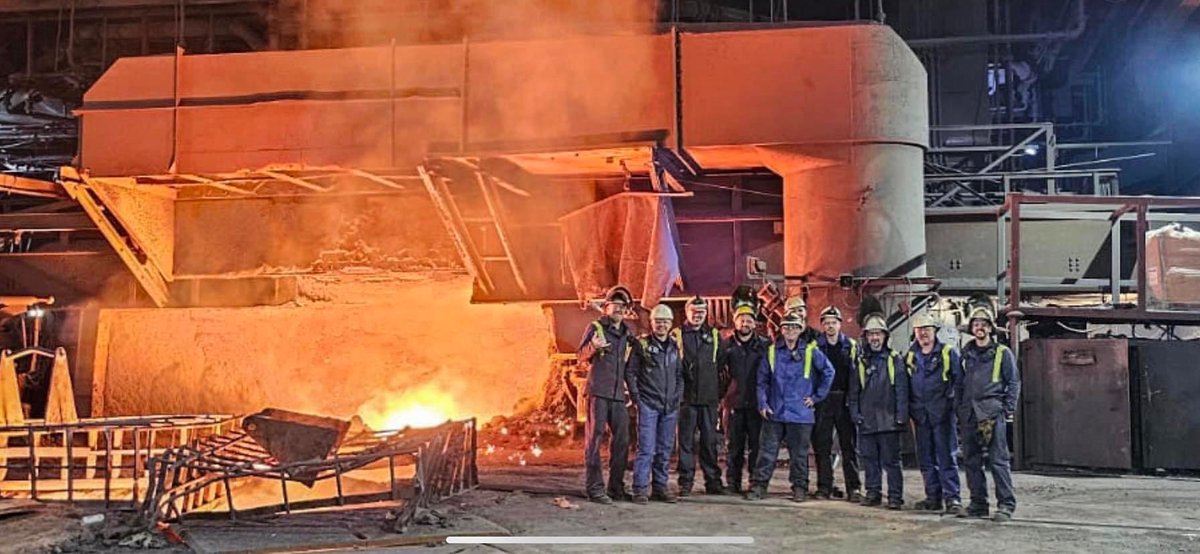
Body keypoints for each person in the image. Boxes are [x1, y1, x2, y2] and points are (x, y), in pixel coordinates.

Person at [746, 312, 835, 502]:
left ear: (801, 329)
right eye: (786, 327)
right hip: (775, 412)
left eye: (794, 327)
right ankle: (759, 486)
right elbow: (762, 381)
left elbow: (829, 371)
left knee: (799, 455)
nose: (790, 331)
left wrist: (816, 397)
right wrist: (762, 402)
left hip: (800, 414)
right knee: (767, 453)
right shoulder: (772, 351)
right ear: (781, 329)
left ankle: (800, 487)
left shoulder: (810, 351)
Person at [957, 301, 1021, 522]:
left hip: (991, 414)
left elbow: (1013, 383)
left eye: (983, 323)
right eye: (975, 323)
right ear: (971, 328)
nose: (979, 327)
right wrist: (960, 410)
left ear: (991, 328)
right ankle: (978, 503)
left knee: (998, 461)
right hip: (969, 414)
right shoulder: (966, 354)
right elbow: (959, 384)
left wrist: (1007, 409)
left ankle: (1006, 505)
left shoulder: (1002, 353)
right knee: (971, 461)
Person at [576, 285, 639, 504]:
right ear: (606, 308)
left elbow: (630, 367)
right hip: (598, 393)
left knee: (621, 441)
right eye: (615, 305)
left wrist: (634, 395)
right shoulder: (595, 328)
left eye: (623, 306)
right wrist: (592, 347)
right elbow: (580, 356)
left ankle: (616, 488)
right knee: (594, 440)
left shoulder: (627, 334)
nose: (619, 309)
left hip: (618, 395)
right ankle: (595, 489)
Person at [906, 312, 965, 517]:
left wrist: (954, 410)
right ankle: (933, 497)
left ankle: (953, 498)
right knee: (926, 458)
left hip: (943, 415)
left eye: (927, 330)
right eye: (920, 330)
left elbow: (959, 384)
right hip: (921, 416)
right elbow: (905, 386)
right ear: (915, 332)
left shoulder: (948, 354)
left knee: (946, 457)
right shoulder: (911, 356)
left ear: (935, 331)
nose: (923, 334)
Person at [849, 312, 909, 510]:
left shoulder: (894, 360)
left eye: (878, 334)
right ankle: (873, 492)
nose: (875, 338)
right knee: (869, 460)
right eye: (871, 334)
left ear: (885, 336)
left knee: (891, 462)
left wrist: (901, 416)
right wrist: (855, 414)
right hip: (867, 420)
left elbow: (901, 390)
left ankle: (894, 497)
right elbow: (854, 391)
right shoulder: (861, 361)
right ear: (866, 337)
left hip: (889, 421)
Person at [629, 304, 683, 504]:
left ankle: (660, 487)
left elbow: (679, 374)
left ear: (670, 324)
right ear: (652, 323)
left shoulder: (674, 346)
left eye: (665, 322)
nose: (661, 325)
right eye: (658, 321)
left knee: (665, 448)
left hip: (669, 406)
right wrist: (637, 398)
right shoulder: (642, 345)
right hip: (649, 404)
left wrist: (677, 396)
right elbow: (631, 372)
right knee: (646, 449)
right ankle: (640, 489)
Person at [674, 296, 726, 496]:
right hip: (685, 400)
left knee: (709, 442)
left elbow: (721, 365)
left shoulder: (714, 335)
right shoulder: (677, 335)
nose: (698, 316)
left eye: (701, 312)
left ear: (706, 314)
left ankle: (712, 482)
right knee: (685, 443)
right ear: (687, 312)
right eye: (694, 312)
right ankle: (685, 483)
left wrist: (715, 391)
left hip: (708, 399)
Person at [812, 305, 863, 502]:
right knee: (822, 446)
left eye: (834, 322)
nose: (830, 326)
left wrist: (854, 401)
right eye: (827, 323)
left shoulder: (851, 346)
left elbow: (856, 376)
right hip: (823, 402)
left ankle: (854, 488)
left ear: (840, 324)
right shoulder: (814, 347)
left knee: (848, 446)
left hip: (845, 400)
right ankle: (824, 487)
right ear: (822, 325)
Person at [719, 303, 770, 494]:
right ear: (735, 321)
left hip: (757, 405)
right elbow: (719, 373)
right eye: (742, 319)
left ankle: (755, 483)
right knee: (734, 447)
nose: (745, 323)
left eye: (749, 320)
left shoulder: (765, 345)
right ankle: (733, 483)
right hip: (734, 404)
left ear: (755, 323)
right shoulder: (726, 346)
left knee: (757, 446)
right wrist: (723, 396)